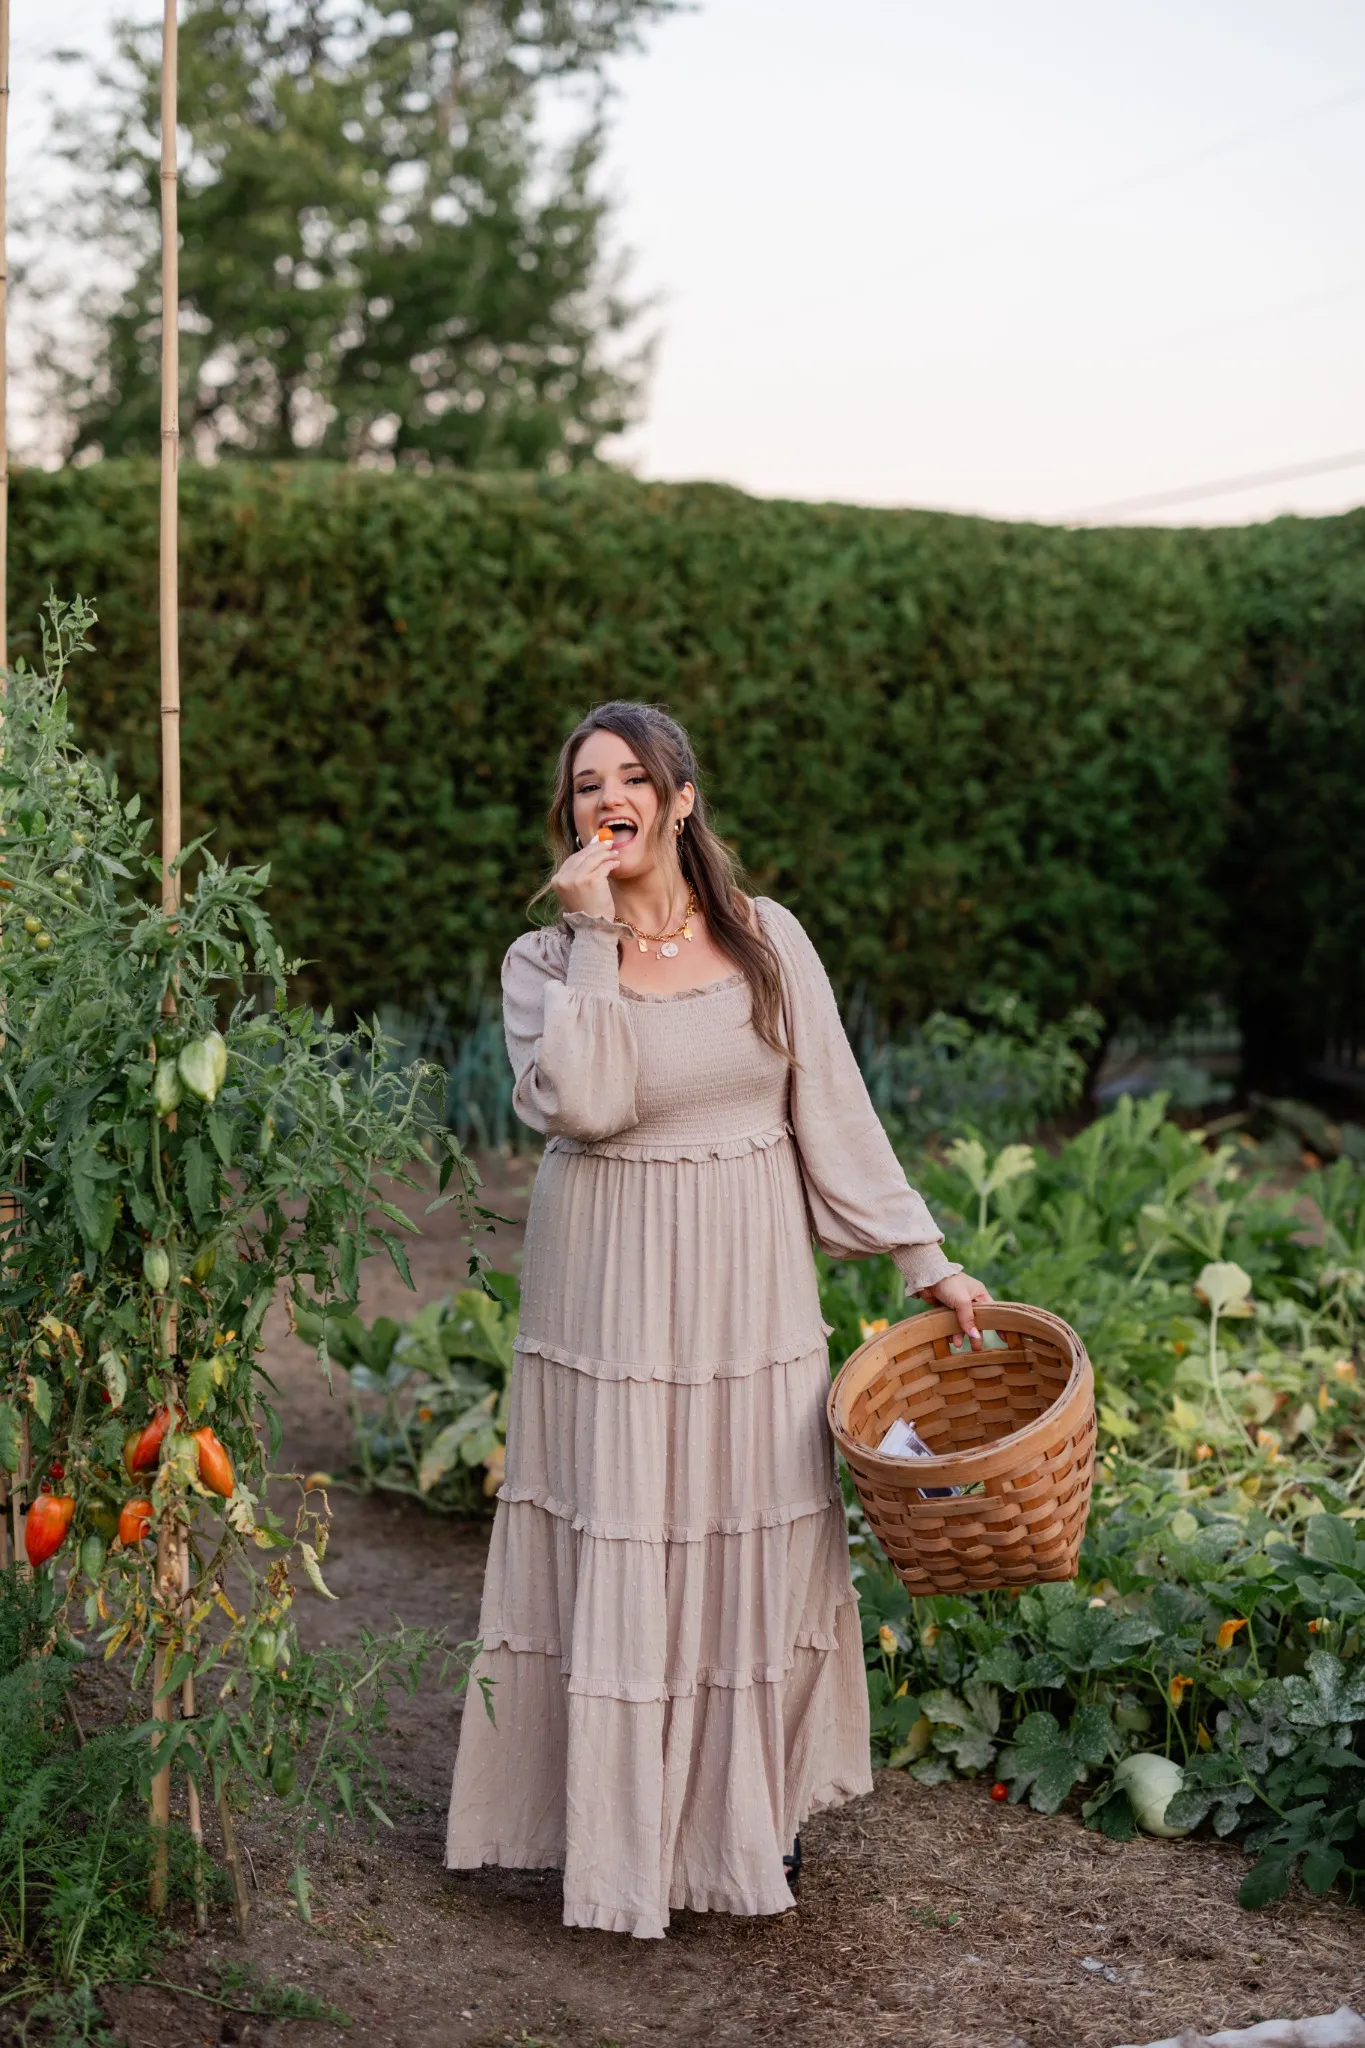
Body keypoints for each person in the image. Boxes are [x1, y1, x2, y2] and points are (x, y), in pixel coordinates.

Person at [445, 701, 990, 1938]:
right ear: (571, 817)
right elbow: (588, 1104)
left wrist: (926, 1259)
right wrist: (591, 939)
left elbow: (834, 1108)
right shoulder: (541, 963)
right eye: (587, 784)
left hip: (751, 1279)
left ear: (682, 799)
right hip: (613, 1279)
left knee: (750, 1526)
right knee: (630, 1523)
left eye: (631, 777)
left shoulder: (767, 939)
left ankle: (749, 1815)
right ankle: (619, 1831)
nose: (607, 798)